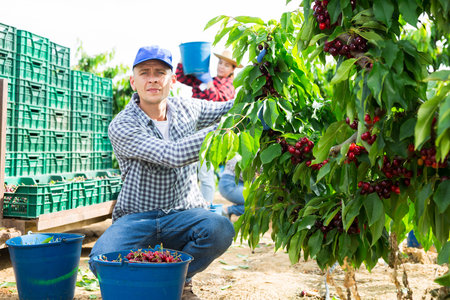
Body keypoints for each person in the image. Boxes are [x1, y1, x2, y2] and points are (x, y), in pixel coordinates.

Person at [88, 45, 236, 300]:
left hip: (183, 213)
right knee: (101, 259)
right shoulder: (122, 125)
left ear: (173, 79)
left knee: (220, 228)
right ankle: (154, 282)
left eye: (160, 72)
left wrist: (261, 85)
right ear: (133, 82)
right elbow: (172, 155)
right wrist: (222, 131)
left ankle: (181, 279)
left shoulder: (188, 108)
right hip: (137, 217)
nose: (153, 78)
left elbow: (230, 109)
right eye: (145, 73)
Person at [176, 50, 242, 205]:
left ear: (233, 70)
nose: (221, 67)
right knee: (189, 171)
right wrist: (183, 58)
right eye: (220, 63)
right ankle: (190, 204)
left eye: (226, 65)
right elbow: (181, 77)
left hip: (211, 132)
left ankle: (206, 208)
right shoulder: (207, 80)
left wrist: (208, 83)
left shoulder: (229, 86)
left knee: (205, 172)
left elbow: (218, 100)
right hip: (193, 128)